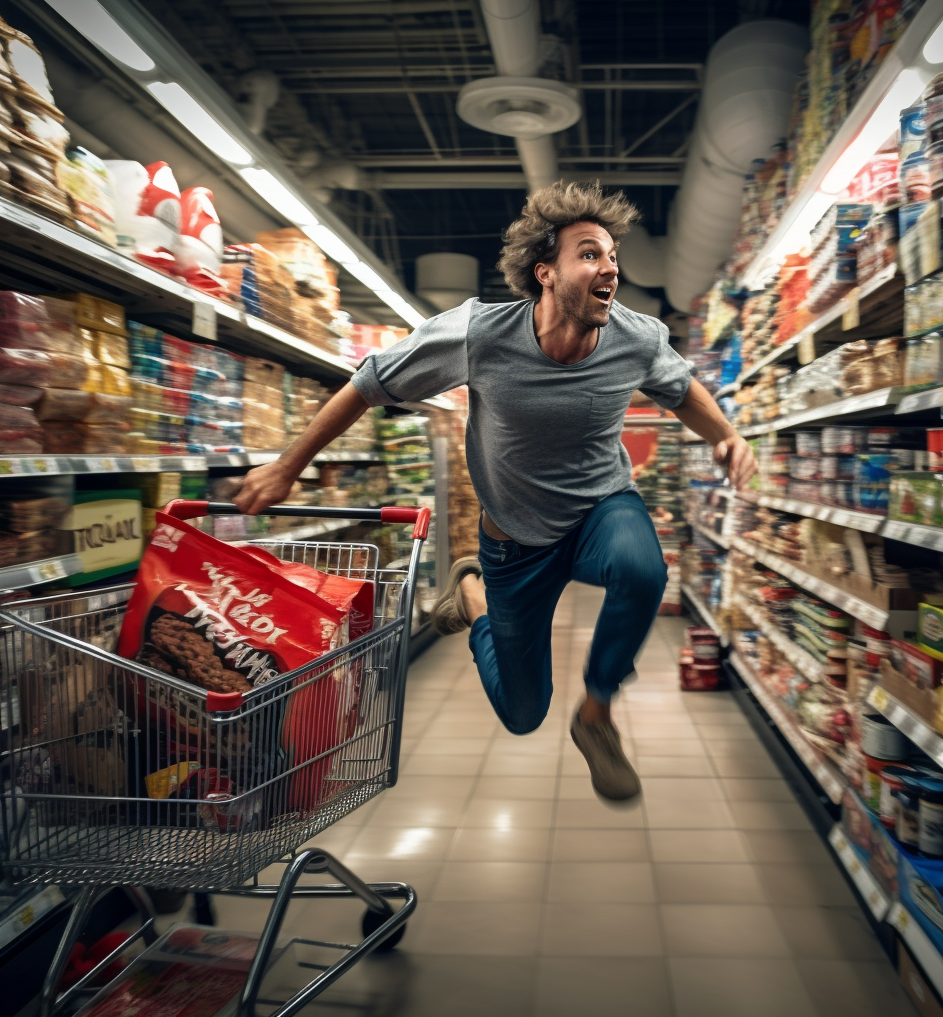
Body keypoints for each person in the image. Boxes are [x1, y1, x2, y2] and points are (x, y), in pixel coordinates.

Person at [234, 180, 756, 802]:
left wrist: (726, 435)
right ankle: (474, 593)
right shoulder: (479, 335)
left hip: (600, 510)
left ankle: (596, 715)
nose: (609, 267)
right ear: (545, 272)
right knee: (521, 712)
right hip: (514, 542)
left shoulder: (635, 337)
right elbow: (367, 384)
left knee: (644, 570)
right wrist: (288, 467)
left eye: (614, 256)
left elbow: (681, 388)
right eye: (590, 253)